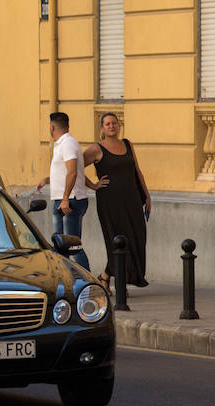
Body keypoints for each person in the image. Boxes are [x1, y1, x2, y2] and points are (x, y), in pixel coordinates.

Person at [82, 112, 150, 292]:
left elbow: (138, 171)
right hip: (110, 202)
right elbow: (76, 168)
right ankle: (119, 280)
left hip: (132, 199)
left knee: (137, 237)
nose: (112, 126)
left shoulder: (127, 144)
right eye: (107, 124)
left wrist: (147, 195)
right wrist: (93, 185)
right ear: (102, 128)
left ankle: (105, 276)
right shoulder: (96, 149)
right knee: (116, 239)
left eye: (114, 123)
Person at [34, 112, 90, 270]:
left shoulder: (67, 144)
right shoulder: (63, 144)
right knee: (60, 246)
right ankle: (67, 280)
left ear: (51, 127)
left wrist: (65, 198)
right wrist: (47, 180)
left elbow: (72, 171)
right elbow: (68, 172)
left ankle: (88, 282)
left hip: (69, 201)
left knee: (72, 246)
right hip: (63, 199)